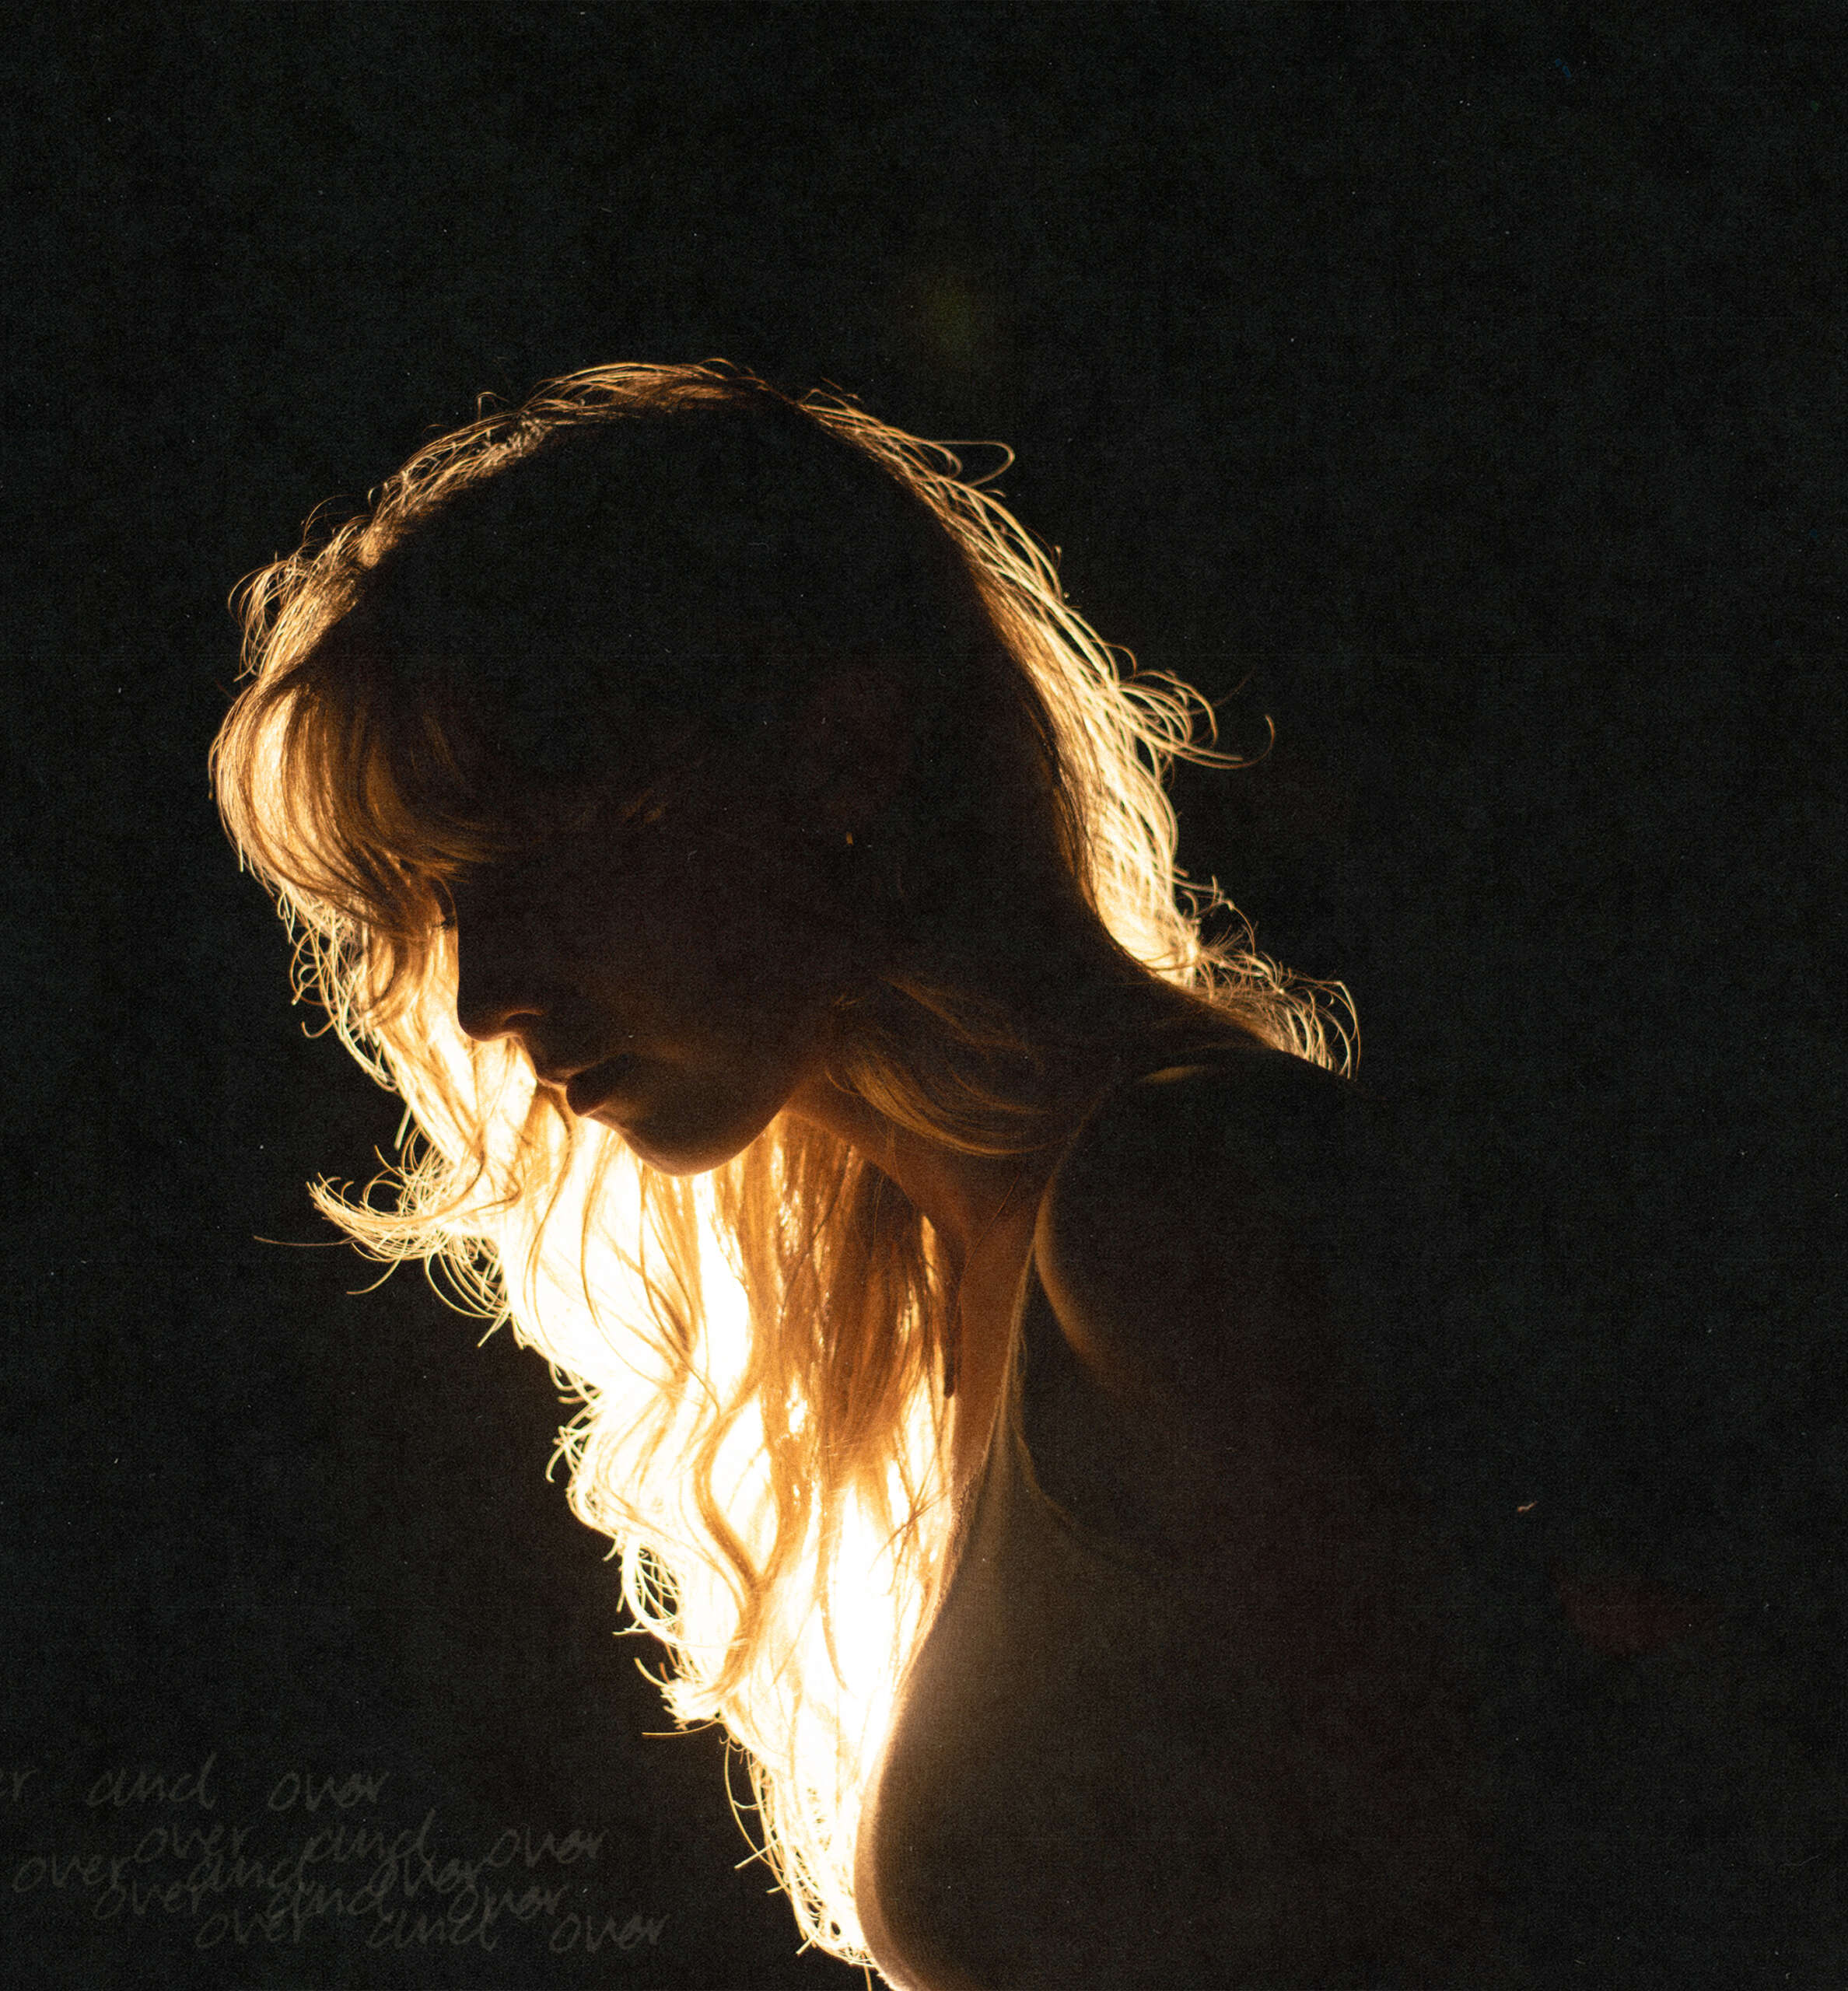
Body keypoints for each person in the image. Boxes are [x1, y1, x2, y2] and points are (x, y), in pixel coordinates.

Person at [208, 362, 1755, 1987]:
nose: (480, 993)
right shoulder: (996, 1274)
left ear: (845, 752)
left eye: (525, 861)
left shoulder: (1176, 1208)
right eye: (438, 906)